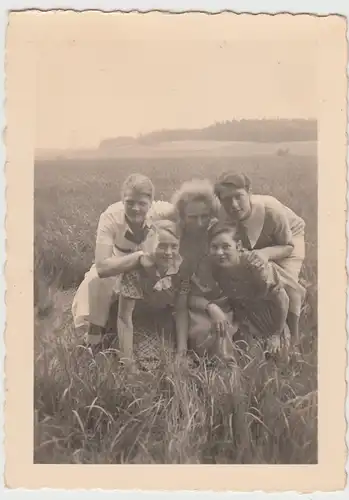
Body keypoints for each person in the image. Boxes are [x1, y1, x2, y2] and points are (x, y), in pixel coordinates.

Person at [71, 173, 173, 352]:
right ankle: (94, 338)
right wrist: (139, 258)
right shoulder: (110, 217)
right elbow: (103, 266)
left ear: (151, 202)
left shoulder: (158, 211)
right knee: (95, 280)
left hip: (148, 268)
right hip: (116, 264)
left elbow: (187, 208)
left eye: (142, 203)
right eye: (130, 202)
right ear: (122, 200)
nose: (136, 208)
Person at [214, 172, 305, 346]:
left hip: (288, 238)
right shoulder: (223, 214)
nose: (233, 205)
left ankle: (293, 338)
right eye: (226, 199)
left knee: (286, 283)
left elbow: (287, 246)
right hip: (249, 237)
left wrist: (265, 254)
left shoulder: (271, 210)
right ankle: (260, 322)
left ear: (249, 192)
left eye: (238, 197)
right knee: (253, 276)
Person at [168, 178, 237, 363]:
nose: (200, 223)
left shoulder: (217, 237)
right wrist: (181, 352)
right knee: (204, 336)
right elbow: (181, 299)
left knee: (227, 334)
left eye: (204, 216)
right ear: (182, 216)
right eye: (192, 217)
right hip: (192, 306)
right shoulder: (177, 245)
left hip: (225, 303)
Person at [205, 223, 291, 355]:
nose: (219, 252)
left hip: (271, 320)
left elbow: (282, 299)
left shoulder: (256, 266)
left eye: (226, 246)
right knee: (247, 359)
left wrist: (276, 334)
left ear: (238, 246)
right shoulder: (216, 268)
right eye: (214, 247)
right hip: (246, 322)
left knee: (278, 360)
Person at [116, 219, 190, 370]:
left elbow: (181, 310)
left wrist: (182, 351)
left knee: (174, 363)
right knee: (144, 364)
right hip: (136, 319)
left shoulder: (181, 271)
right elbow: (124, 318)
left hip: (163, 319)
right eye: (162, 245)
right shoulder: (135, 270)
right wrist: (128, 361)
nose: (169, 253)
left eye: (174, 246)